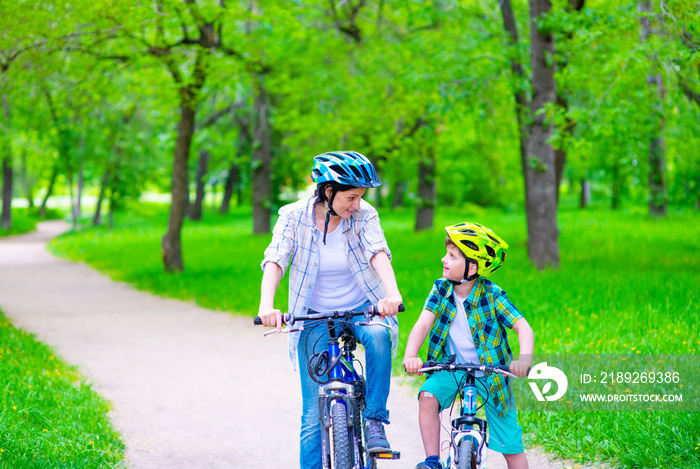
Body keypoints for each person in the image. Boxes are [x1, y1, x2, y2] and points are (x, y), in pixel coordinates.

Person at [258, 151, 403, 469]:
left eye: (360, 197)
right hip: (312, 315)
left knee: (379, 335)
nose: (356, 204)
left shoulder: (365, 215)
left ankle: (375, 419)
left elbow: (377, 252)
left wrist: (392, 296)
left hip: (362, 307)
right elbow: (276, 259)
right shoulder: (293, 216)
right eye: (351, 197)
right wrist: (266, 305)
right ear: (328, 191)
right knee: (312, 415)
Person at [403, 222, 534, 469]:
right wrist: (411, 355)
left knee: (511, 445)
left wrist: (524, 360)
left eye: (452, 256)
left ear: (472, 267)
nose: (444, 259)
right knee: (428, 396)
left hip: (491, 374)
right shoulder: (441, 289)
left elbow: (524, 328)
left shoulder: (493, 294)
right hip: (452, 369)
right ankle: (432, 460)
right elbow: (422, 324)